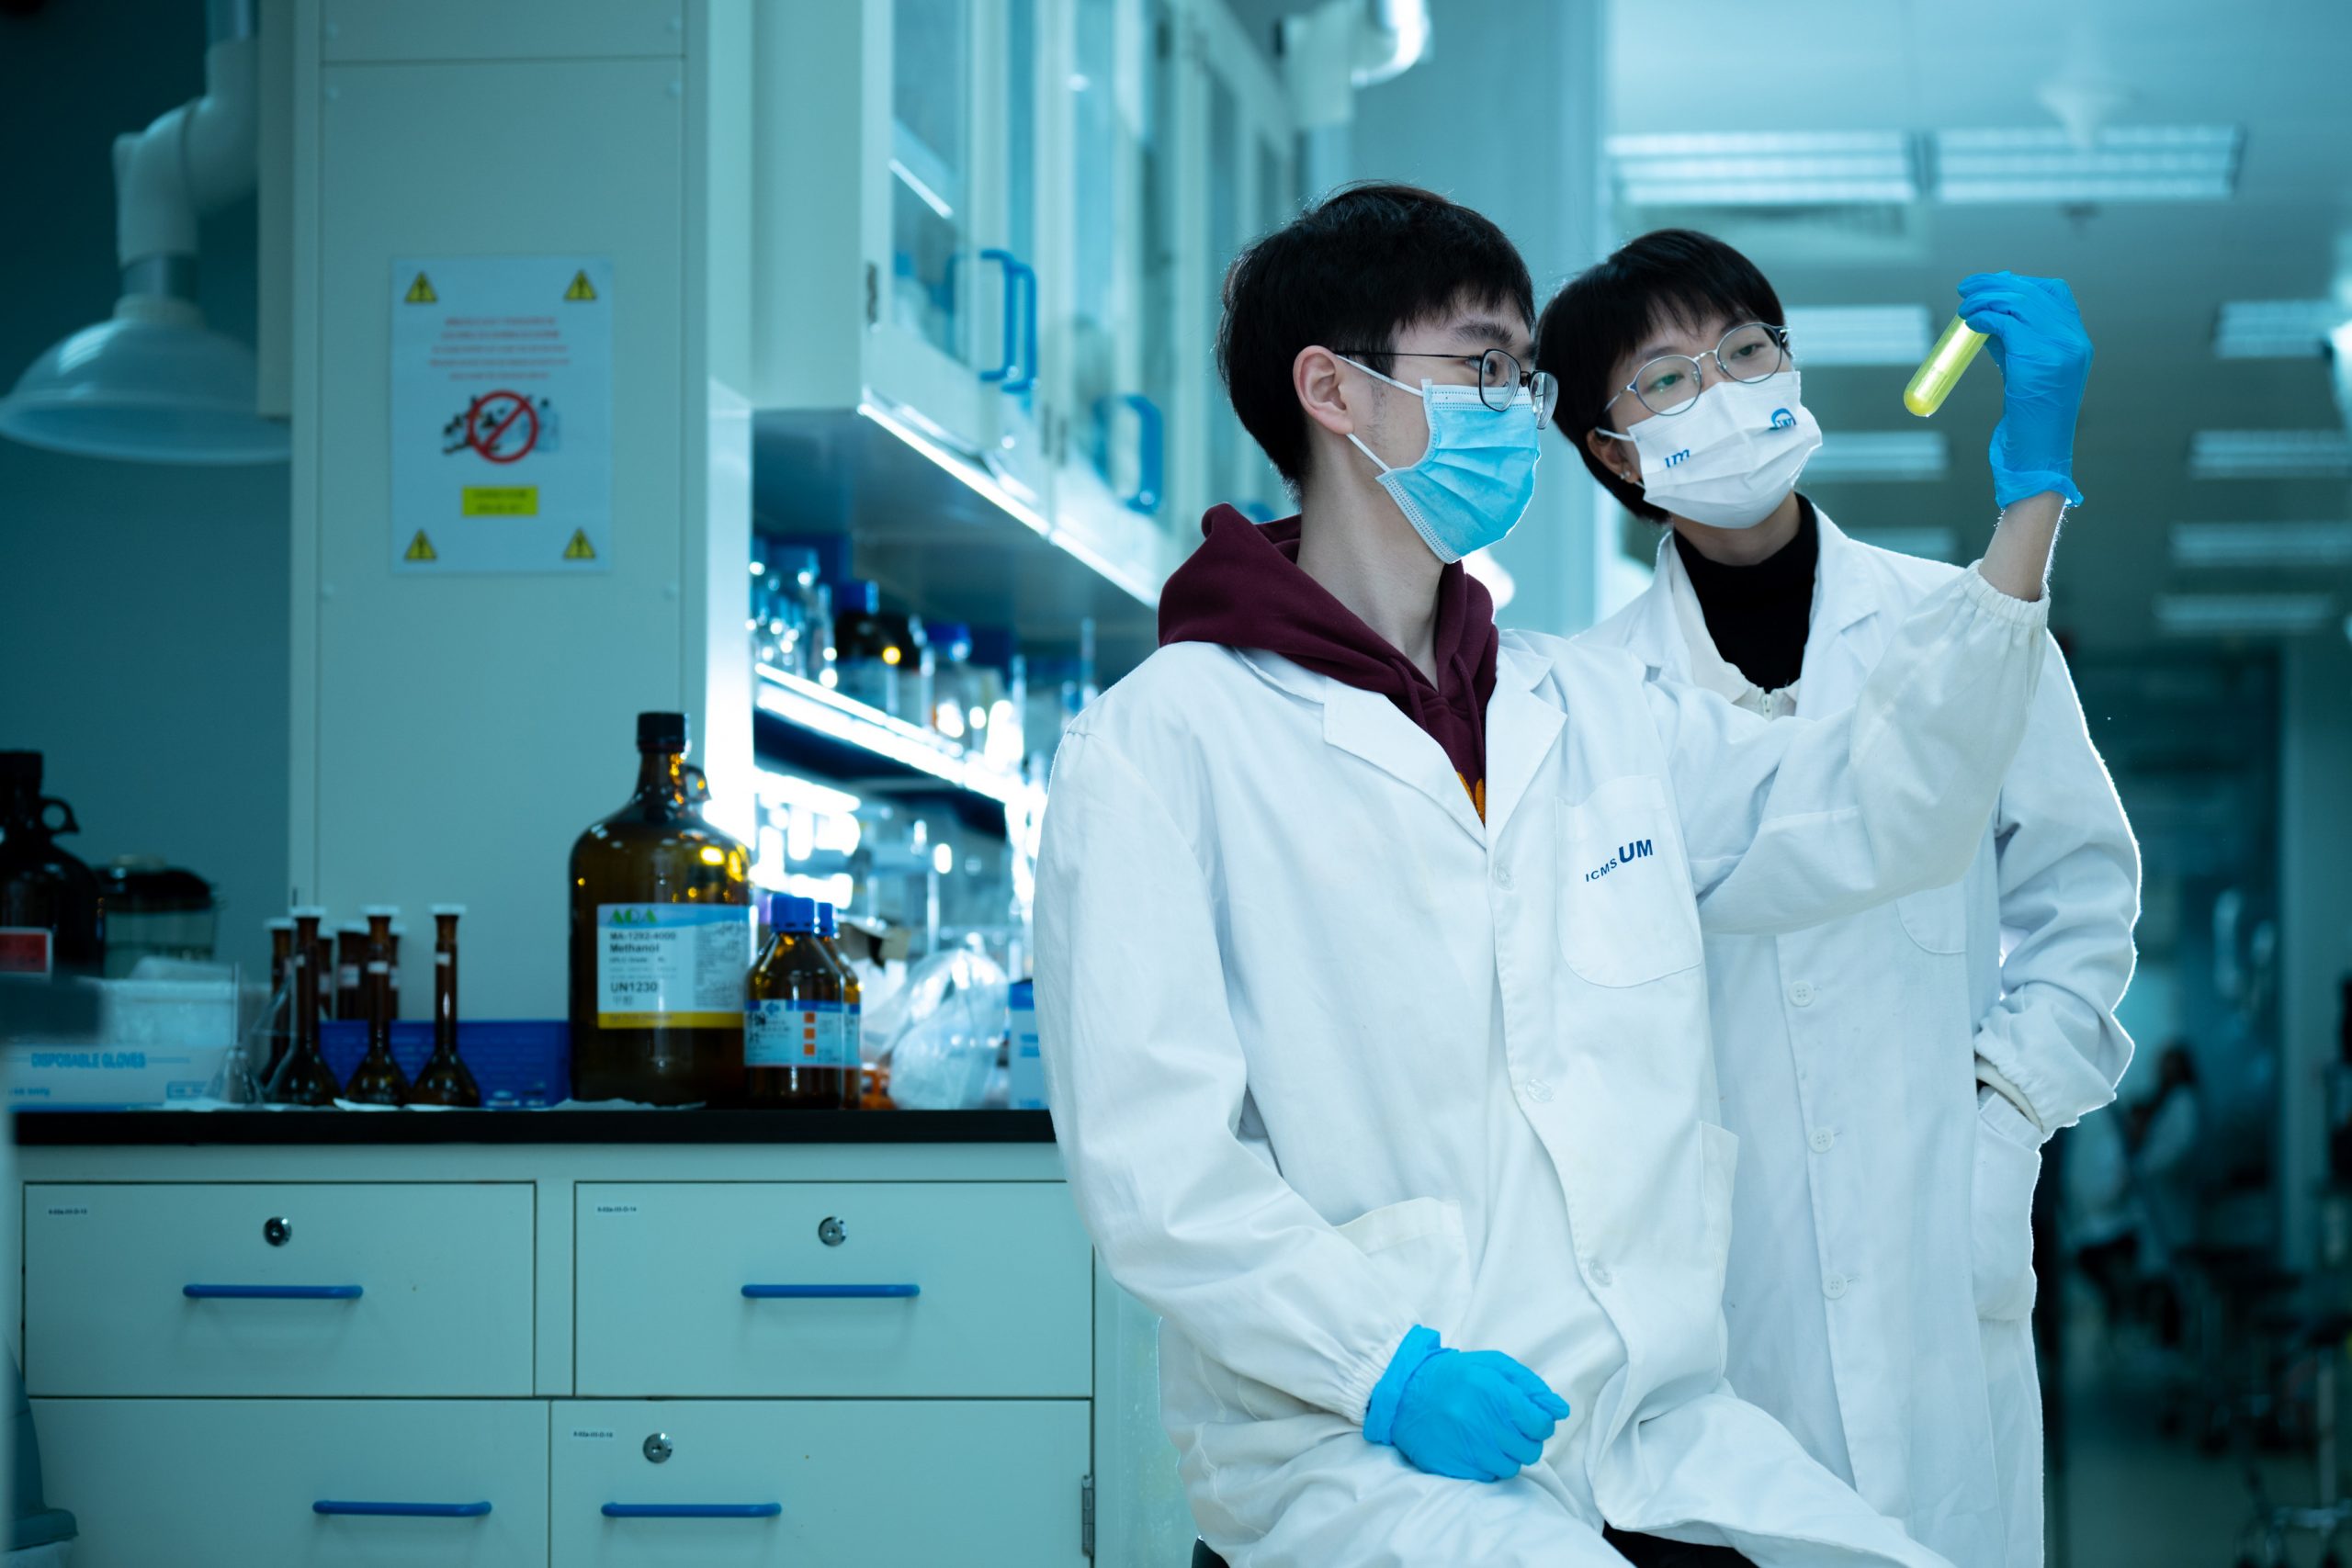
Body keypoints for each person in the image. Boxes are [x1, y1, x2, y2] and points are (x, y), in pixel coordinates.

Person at [1035, 184, 2079, 1568]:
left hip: (1644, 1422)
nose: (1517, 412)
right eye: (1482, 367)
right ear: (1332, 391)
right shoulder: (1164, 744)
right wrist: (1384, 1368)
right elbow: (1156, 1171)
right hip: (1361, 1442)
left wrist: (2026, 519)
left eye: (1523, 378)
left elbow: (1880, 812)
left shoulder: (1586, 709)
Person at [1540, 229, 2139, 1568]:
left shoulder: (1964, 624)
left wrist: (2006, 1123)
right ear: (1614, 454)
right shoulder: (1589, 698)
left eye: (1747, 350)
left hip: (1935, 1230)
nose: (1723, 390)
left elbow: (2083, 899)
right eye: (1668, 379)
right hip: (1711, 1278)